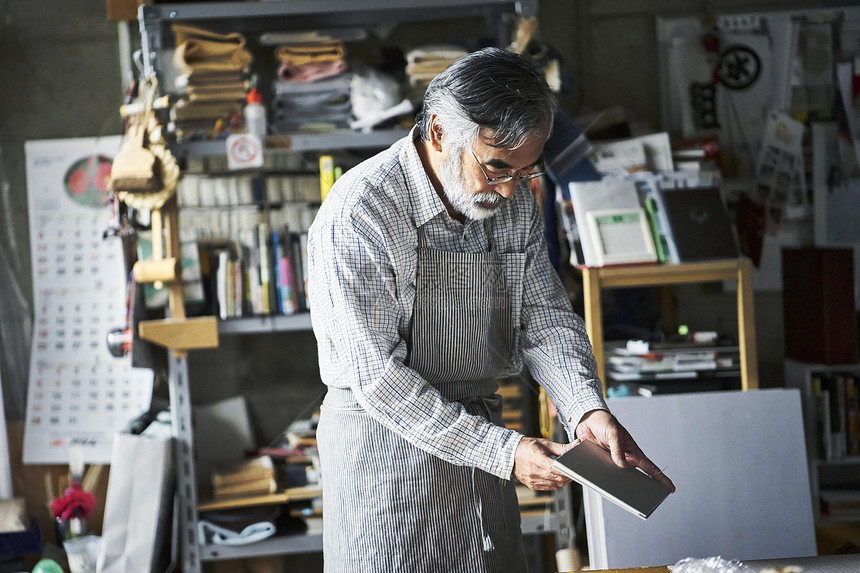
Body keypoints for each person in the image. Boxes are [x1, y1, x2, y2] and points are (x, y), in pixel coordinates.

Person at [306, 46, 675, 573]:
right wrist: (505, 453)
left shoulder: (515, 195)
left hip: (484, 450)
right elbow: (378, 377)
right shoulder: (360, 212)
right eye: (497, 167)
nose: (508, 190)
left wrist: (585, 408)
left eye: (525, 172)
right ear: (438, 132)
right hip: (388, 459)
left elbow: (544, 317)